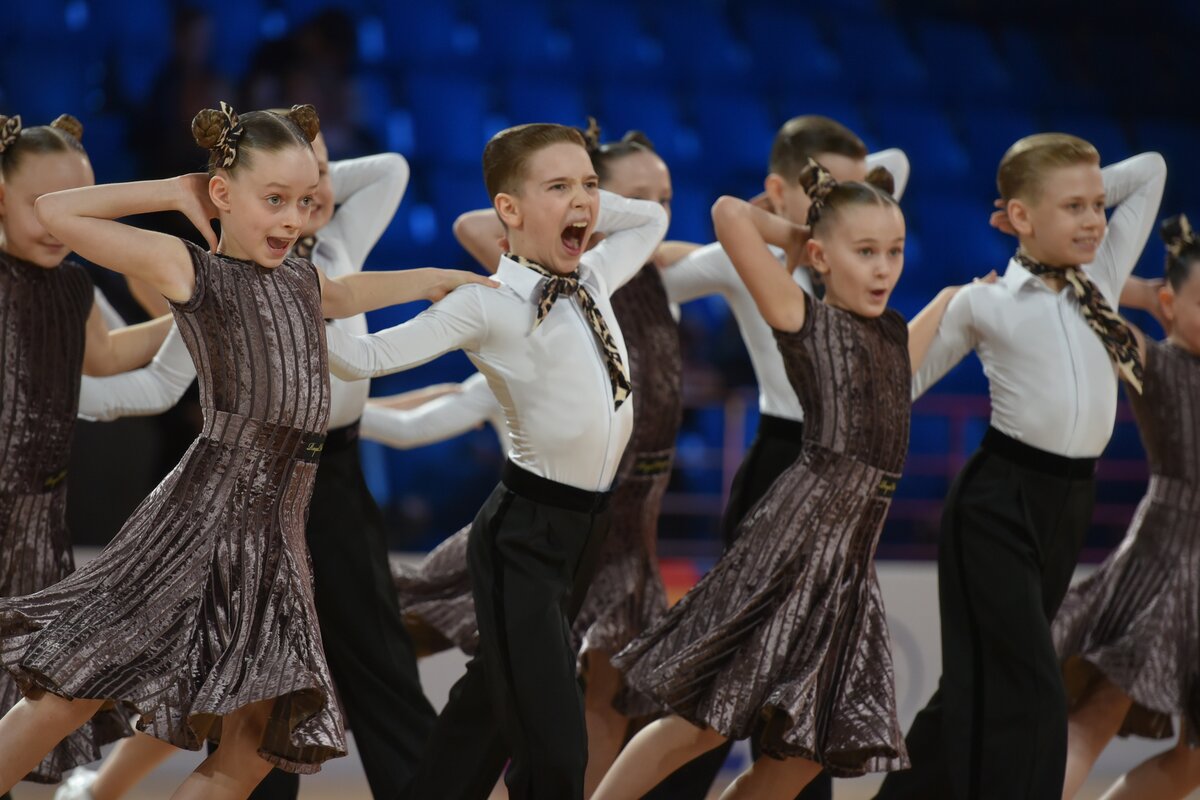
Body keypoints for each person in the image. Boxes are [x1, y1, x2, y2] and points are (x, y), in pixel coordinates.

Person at [0, 102, 491, 800]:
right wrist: (174, 191)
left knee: (261, 733)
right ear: (223, 196)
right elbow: (54, 212)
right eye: (274, 200)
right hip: (204, 516)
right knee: (74, 691)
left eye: (303, 201)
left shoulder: (300, 277)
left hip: (280, 532)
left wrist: (442, 282)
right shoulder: (191, 269)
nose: (293, 219)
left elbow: (349, 290)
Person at [592, 160, 973, 799]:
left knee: (804, 753)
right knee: (702, 725)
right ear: (822, 256)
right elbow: (727, 214)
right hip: (789, 549)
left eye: (895, 252)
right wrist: (801, 238)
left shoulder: (887, 331)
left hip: (848, 566)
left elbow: (897, 375)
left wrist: (949, 300)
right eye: (866, 252)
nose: (883, 267)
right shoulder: (802, 316)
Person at [322, 122, 668, 799]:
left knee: (485, 713)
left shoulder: (595, 273)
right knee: (555, 750)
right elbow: (364, 357)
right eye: (559, 187)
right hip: (524, 539)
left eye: (590, 185)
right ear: (506, 211)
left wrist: (589, 201)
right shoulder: (488, 305)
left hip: (585, 533)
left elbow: (650, 217)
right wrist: (286, 305)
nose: (583, 201)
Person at [875, 136, 1166, 800]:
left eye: (1098, 204)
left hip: (1067, 507)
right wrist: (945, 300)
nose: (1095, 220)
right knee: (1036, 686)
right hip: (996, 507)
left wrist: (1065, 188)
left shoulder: (1104, 275)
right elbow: (897, 386)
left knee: (971, 687)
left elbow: (1151, 171)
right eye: (1074, 207)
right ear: (1021, 217)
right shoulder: (985, 303)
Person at [649, 113, 909, 800]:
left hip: (852, 492)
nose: (844, 203)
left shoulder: (867, 256)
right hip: (784, 468)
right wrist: (802, 233)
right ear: (777, 189)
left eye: (856, 192)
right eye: (823, 188)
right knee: (722, 692)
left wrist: (837, 211)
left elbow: (894, 169)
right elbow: (664, 277)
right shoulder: (753, 268)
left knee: (803, 709)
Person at [0, 112, 172, 790]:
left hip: (40, 522)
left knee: (21, 703)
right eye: (40, 206)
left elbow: (104, 357)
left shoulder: (73, 284)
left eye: (74, 209)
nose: (55, 225)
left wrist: (200, 318)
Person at [1051, 214, 1200, 800]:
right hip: (1167, 553)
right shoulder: (1153, 361)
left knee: (1194, 758)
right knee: (1100, 712)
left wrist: (1172, 287)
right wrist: (1153, 293)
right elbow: (1080, 284)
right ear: (1168, 304)